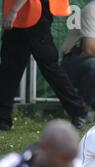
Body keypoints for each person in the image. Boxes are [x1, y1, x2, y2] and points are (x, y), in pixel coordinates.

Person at [0, 0, 89, 131]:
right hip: (24, 15)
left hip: (34, 13)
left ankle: (79, 112)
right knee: (11, 69)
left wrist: (14, 10)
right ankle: (3, 119)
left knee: (49, 68)